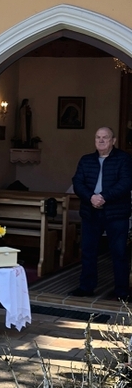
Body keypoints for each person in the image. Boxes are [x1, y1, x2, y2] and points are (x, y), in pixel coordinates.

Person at [71, 126, 132, 300]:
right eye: (98, 137)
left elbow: (126, 182)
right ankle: (86, 287)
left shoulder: (124, 159)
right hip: (91, 212)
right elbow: (78, 182)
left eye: (105, 137)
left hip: (116, 213)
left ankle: (122, 292)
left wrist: (104, 197)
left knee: (119, 252)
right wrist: (91, 197)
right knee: (88, 251)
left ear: (113, 140)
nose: (101, 140)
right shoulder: (86, 160)